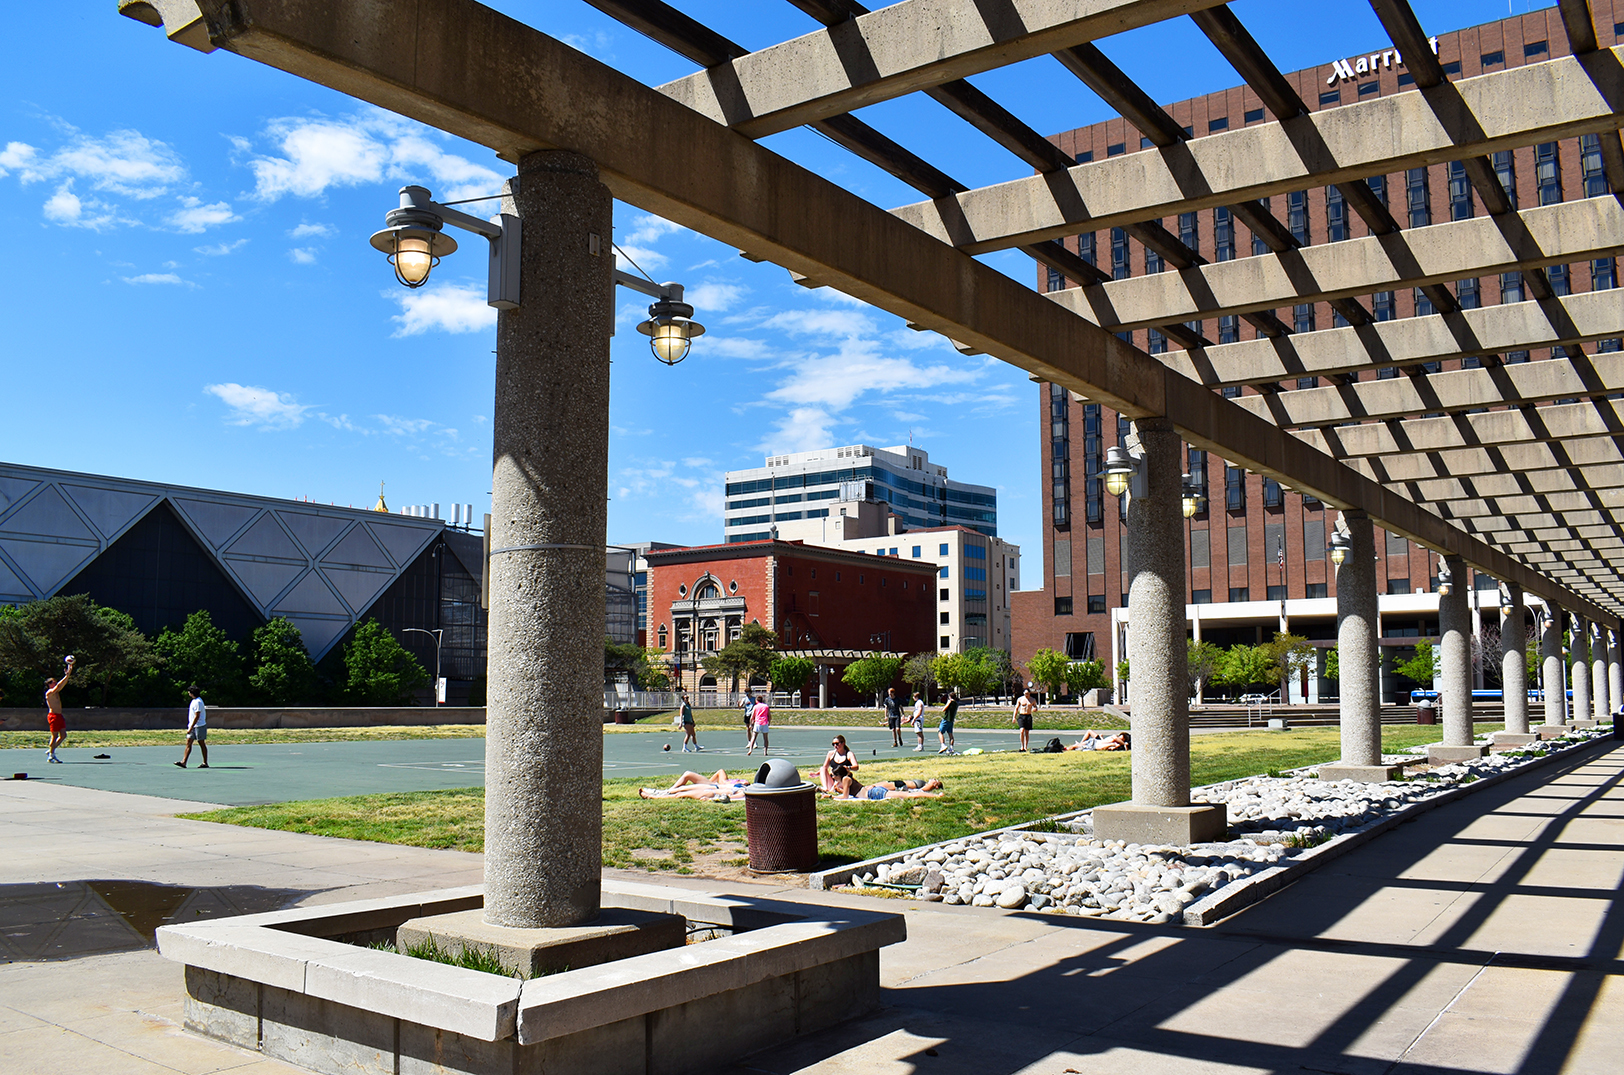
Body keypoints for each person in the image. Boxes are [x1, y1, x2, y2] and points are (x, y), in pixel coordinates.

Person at [639, 769, 749, 801]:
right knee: (680, 789)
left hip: (712, 792)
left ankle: (653, 796)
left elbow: (729, 798)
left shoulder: (745, 792)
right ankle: (659, 792)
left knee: (680, 794)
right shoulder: (743, 786)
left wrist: (713, 799)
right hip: (711, 787)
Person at [43, 655, 74, 763]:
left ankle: (51, 750)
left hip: (59, 715)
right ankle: (51, 755)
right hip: (53, 716)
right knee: (54, 735)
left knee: (63, 735)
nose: (55, 683)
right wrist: (66, 675)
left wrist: (68, 674)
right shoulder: (49, 693)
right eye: (53, 682)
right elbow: (58, 686)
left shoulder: (56, 691)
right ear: (49, 684)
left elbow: (61, 685)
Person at [175, 685, 209, 768]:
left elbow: (197, 716)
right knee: (188, 743)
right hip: (192, 726)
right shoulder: (194, 701)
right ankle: (184, 762)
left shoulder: (198, 702)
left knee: (201, 743)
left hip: (199, 726)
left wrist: (191, 727)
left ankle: (205, 762)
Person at [831, 775, 944, 800]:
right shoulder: (849, 783)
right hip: (876, 791)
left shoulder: (846, 780)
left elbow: (845, 796)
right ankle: (935, 796)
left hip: (876, 792)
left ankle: (935, 796)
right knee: (908, 795)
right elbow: (846, 794)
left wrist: (831, 796)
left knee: (908, 795)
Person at [1064, 730, 1131, 751]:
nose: (1119, 738)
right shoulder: (1115, 739)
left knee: (1075, 747)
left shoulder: (1116, 743)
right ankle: (1065, 748)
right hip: (1095, 742)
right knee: (1075, 746)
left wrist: (1124, 744)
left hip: (1095, 744)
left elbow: (1111, 745)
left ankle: (1064, 749)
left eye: (1121, 738)